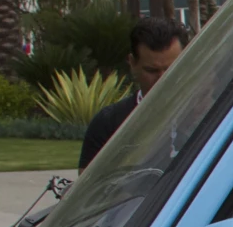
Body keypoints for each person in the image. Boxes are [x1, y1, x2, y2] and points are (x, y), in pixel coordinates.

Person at [79, 16, 187, 168]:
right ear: (132, 63)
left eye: (171, 68)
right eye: (151, 70)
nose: (163, 79)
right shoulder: (108, 124)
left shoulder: (210, 116)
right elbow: (90, 188)